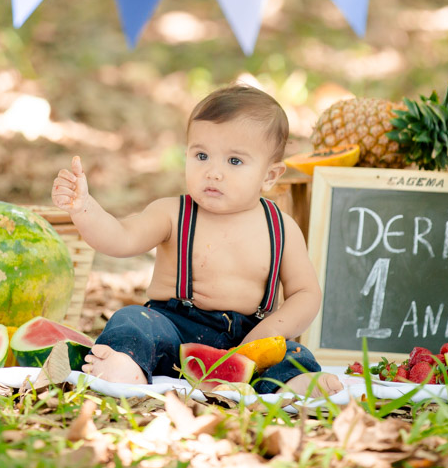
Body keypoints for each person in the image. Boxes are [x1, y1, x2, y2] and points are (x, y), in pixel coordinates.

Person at [51, 84, 343, 397]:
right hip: (172, 328)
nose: (213, 172)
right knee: (132, 321)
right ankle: (126, 366)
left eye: (234, 161)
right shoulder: (172, 213)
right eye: (202, 155)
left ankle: (295, 383)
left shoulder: (282, 228)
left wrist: (271, 330)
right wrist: (84, 209)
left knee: (294, 355)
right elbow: (121, 239)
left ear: (270, 176)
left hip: (249, 337)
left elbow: (306, 293)